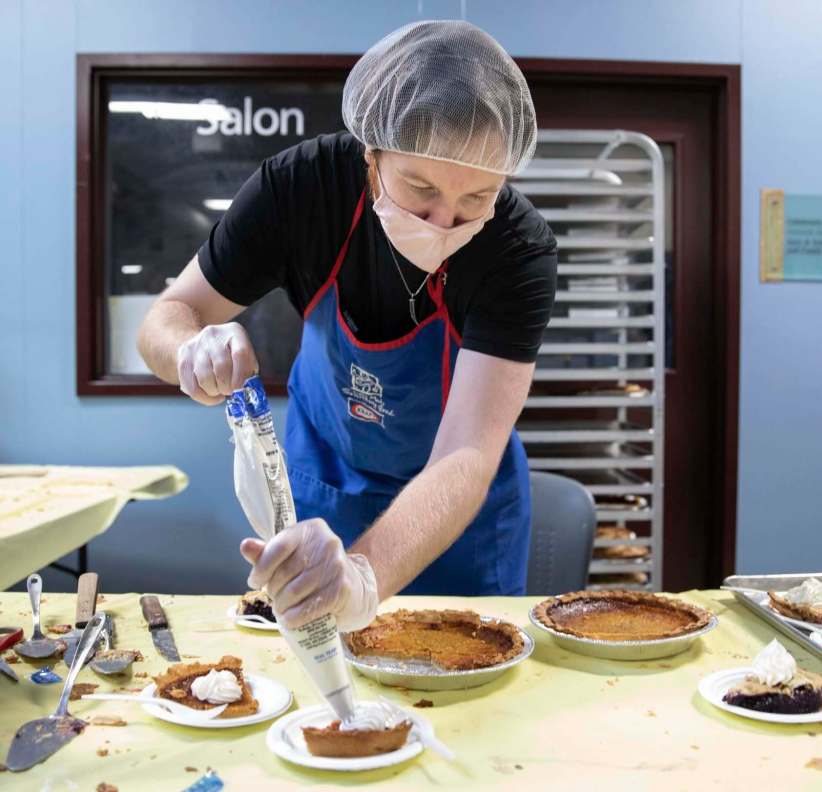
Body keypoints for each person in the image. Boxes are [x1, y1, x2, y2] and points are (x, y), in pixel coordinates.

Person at [137, 21, 557, 631]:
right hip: (328, 480)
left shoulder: (518, 249)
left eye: (476, 199)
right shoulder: (300, 190)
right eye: (420, 188)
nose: (444, 222)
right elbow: (168, 316)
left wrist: (363, 574)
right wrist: (189, 352)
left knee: (465, 683)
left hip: (457, 511)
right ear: (372, 151)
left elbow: (467, 449)